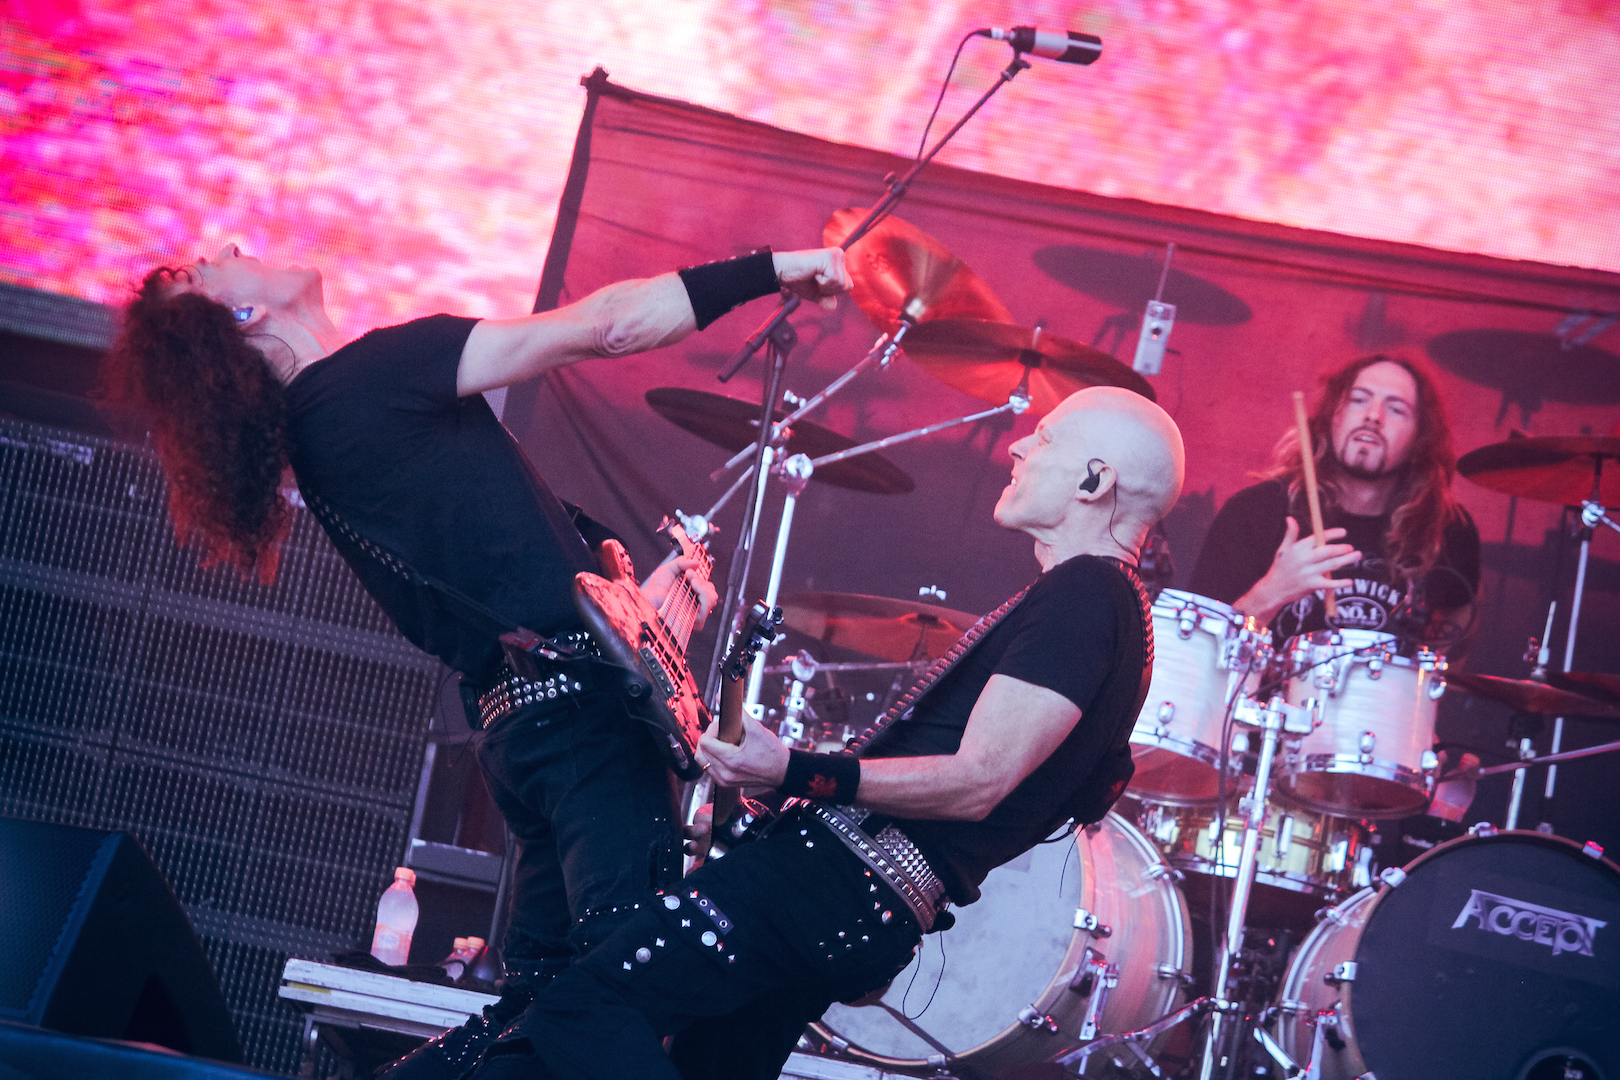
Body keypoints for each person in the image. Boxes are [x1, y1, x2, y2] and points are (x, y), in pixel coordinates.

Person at [100, 241, 853, 1078]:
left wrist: (635, 599)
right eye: (203, 270)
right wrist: (770, 269)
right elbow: (609, 326)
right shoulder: (372, 377)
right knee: (618, 993)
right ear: (240, 318)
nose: (230, 247)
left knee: (544, 1005)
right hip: (578, 727)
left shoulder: (323, 435)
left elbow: (512, 574)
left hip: (528, 734)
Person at [459, 385, 1186, 1080]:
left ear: (1095, 481)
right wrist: (774, 800)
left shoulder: (1089, 594)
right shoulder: (1107, 608)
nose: (1018, 447)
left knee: (579, 1010)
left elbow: (980, 779)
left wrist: (792, 771)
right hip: (851, 898)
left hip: (827, 885)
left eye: (1046, 439)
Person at [1190, 354, 1480, 650]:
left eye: (1396, 409)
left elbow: (1460, 616)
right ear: (1333, 417)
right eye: (1358, 399)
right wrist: (1271, 593)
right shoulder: (1254, 513)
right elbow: (1194, 646)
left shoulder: (1447, 530)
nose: (1373, 415)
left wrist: (1432, 670)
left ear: (1420, 437)